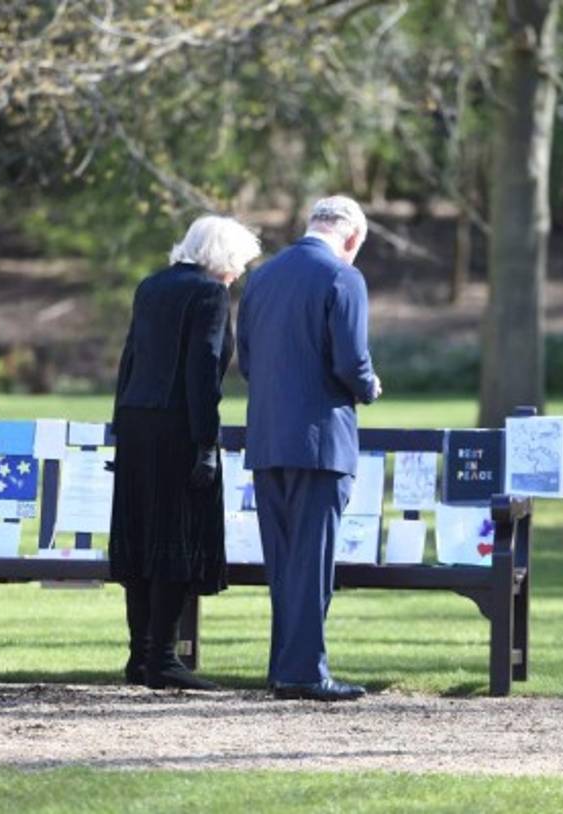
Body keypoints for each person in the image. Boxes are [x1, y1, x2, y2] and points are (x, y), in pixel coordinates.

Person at [236, 195, 382, 702]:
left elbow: (247, 362)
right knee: (312, 562)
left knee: (284, 563)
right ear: (353, 237)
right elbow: (350, 360)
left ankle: (286, 667)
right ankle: (302, 673)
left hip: (268, 437)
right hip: (321, 441)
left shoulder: (262, 277)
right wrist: (369, 387)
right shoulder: (344, 278)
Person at [110, 214, 261, 690]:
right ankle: (164, 659)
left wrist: (120, 425)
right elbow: (202, 372)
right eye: (238, 260)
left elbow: (129, 359)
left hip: (136, 420)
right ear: (221, 255)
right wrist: (206, 442)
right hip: (177, 426)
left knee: (141, 539)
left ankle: (139, 656)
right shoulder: (208, 294)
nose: (239, 271)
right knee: (175, 537)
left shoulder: (151, 286)